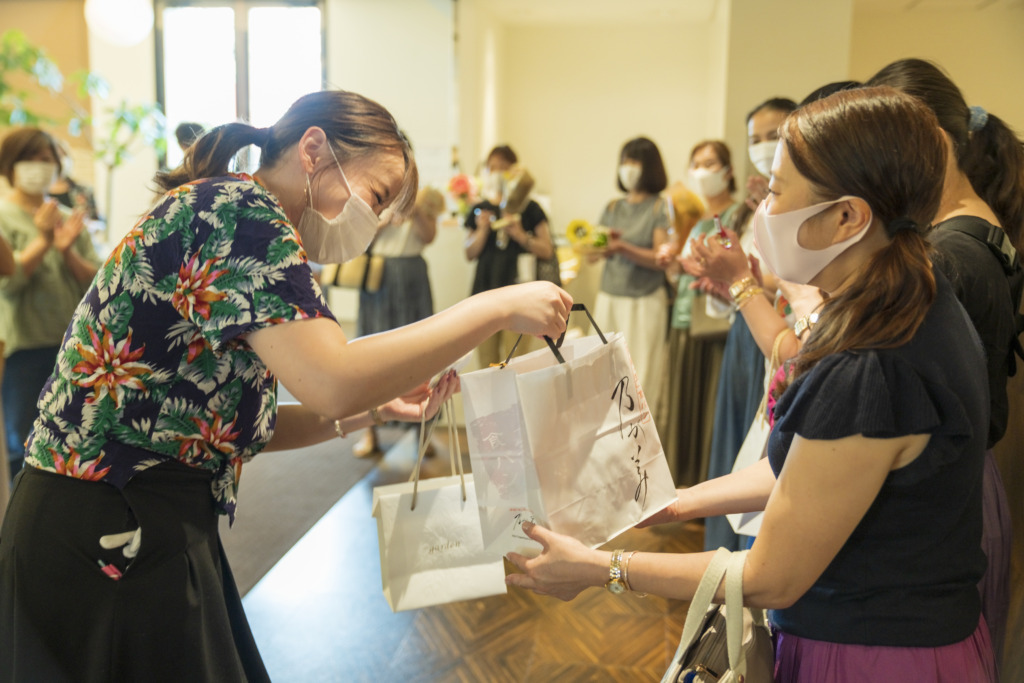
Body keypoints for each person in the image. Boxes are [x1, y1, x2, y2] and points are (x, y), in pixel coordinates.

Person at [0, 90, 572, 681]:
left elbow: (234, 428)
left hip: (141, 516)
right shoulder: (239, 212)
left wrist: (374, 409)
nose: (370, 224)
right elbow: (333, 379)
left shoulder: (248, 219)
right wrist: (495, 307)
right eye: (374, 197)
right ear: (314, 149)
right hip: (104, 524)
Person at [506, 87, 996, 682]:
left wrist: (600, 568)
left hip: (876, 655)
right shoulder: (909, 298)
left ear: (847, 216)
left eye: (777, 193)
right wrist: (668, 505)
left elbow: (769, 576)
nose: (762, 209)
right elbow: (807, 469)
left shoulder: (874, 362)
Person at [869, 57, 1023, 669]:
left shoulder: (949, 254)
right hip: (966, 488)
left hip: (945, 499)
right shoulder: (974, 234)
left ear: (929, 141)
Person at [0, 127, 100, 482]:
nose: (40, 167)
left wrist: (67, 250)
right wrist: (42, 242)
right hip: (23, 348)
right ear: (10, 164)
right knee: (25, 442)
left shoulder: (67, 215)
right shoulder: (4, 216)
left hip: (73, 346)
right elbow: (8, 285)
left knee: (77, 439)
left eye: (47, 160)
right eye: (31, 159)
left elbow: (99, 281)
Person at [655, 140, 738, 486]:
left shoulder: (736, 215)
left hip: (715, 323)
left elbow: (733, 269)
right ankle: (686, 482)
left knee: (709, 407)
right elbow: (681, 275)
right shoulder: (691, 219)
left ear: (728, 171)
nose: (702, 171)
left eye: (710, 163)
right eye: (696, 164)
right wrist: (671, 264)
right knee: (683, 405)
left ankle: (709, 483)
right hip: (685, 320)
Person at [351, 186, 446, 458]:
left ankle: (422, 433)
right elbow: (357, 241)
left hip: (412, 275)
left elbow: (429, 237)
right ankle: (369, 431)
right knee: (371, 354)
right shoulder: (370, 193)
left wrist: (414, 211)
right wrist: (385, 219)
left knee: (421, 354)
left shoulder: (426, 197)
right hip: (377, 276)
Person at [592, 137, 671, 414]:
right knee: (604, 375)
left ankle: (639, 447)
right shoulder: (613, 207)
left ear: (649, 167)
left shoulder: (659, 207)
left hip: (644, 301)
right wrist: (597, 245)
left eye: (634, 162)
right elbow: (593, 253)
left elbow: (661, 259)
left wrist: (623, 247)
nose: (628, 168)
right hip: (609, 297)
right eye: (625, 161)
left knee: (641, 377)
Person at [464, 145, 555, 368]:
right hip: (484, 294)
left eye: (503, 168)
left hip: (520, 299)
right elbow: (469, 252)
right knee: (485, 366)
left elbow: (547, 249)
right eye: (492, 168)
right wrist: (483, 229)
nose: (497, 173)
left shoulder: (530, 208)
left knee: (516, 364)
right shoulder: (481, 209)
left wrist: (521, 236)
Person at [48, 139, 101, 221]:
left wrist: (90, 225)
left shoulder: (83, 190)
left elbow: (98, 221)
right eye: (52, 158)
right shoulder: (37, 193)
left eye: (60, 156)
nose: (57, 162)